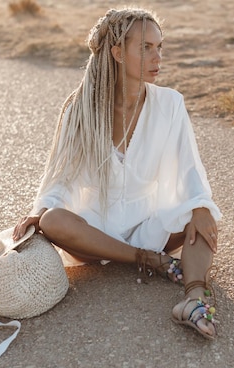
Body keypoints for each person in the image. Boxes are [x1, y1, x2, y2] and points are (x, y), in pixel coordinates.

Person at [12, 7, 221, 339]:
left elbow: (190, 169)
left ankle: (194, 298)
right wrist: (37, 214)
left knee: (204, 215)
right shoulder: (81, 108)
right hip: (95, 230)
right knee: (53, 219)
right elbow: (60, 178)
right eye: (146, 47)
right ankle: (147, 260)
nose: (158, 57)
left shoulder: (170, 104)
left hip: (151, 220)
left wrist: (199, 207)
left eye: (159, 47)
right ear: (118, 53)